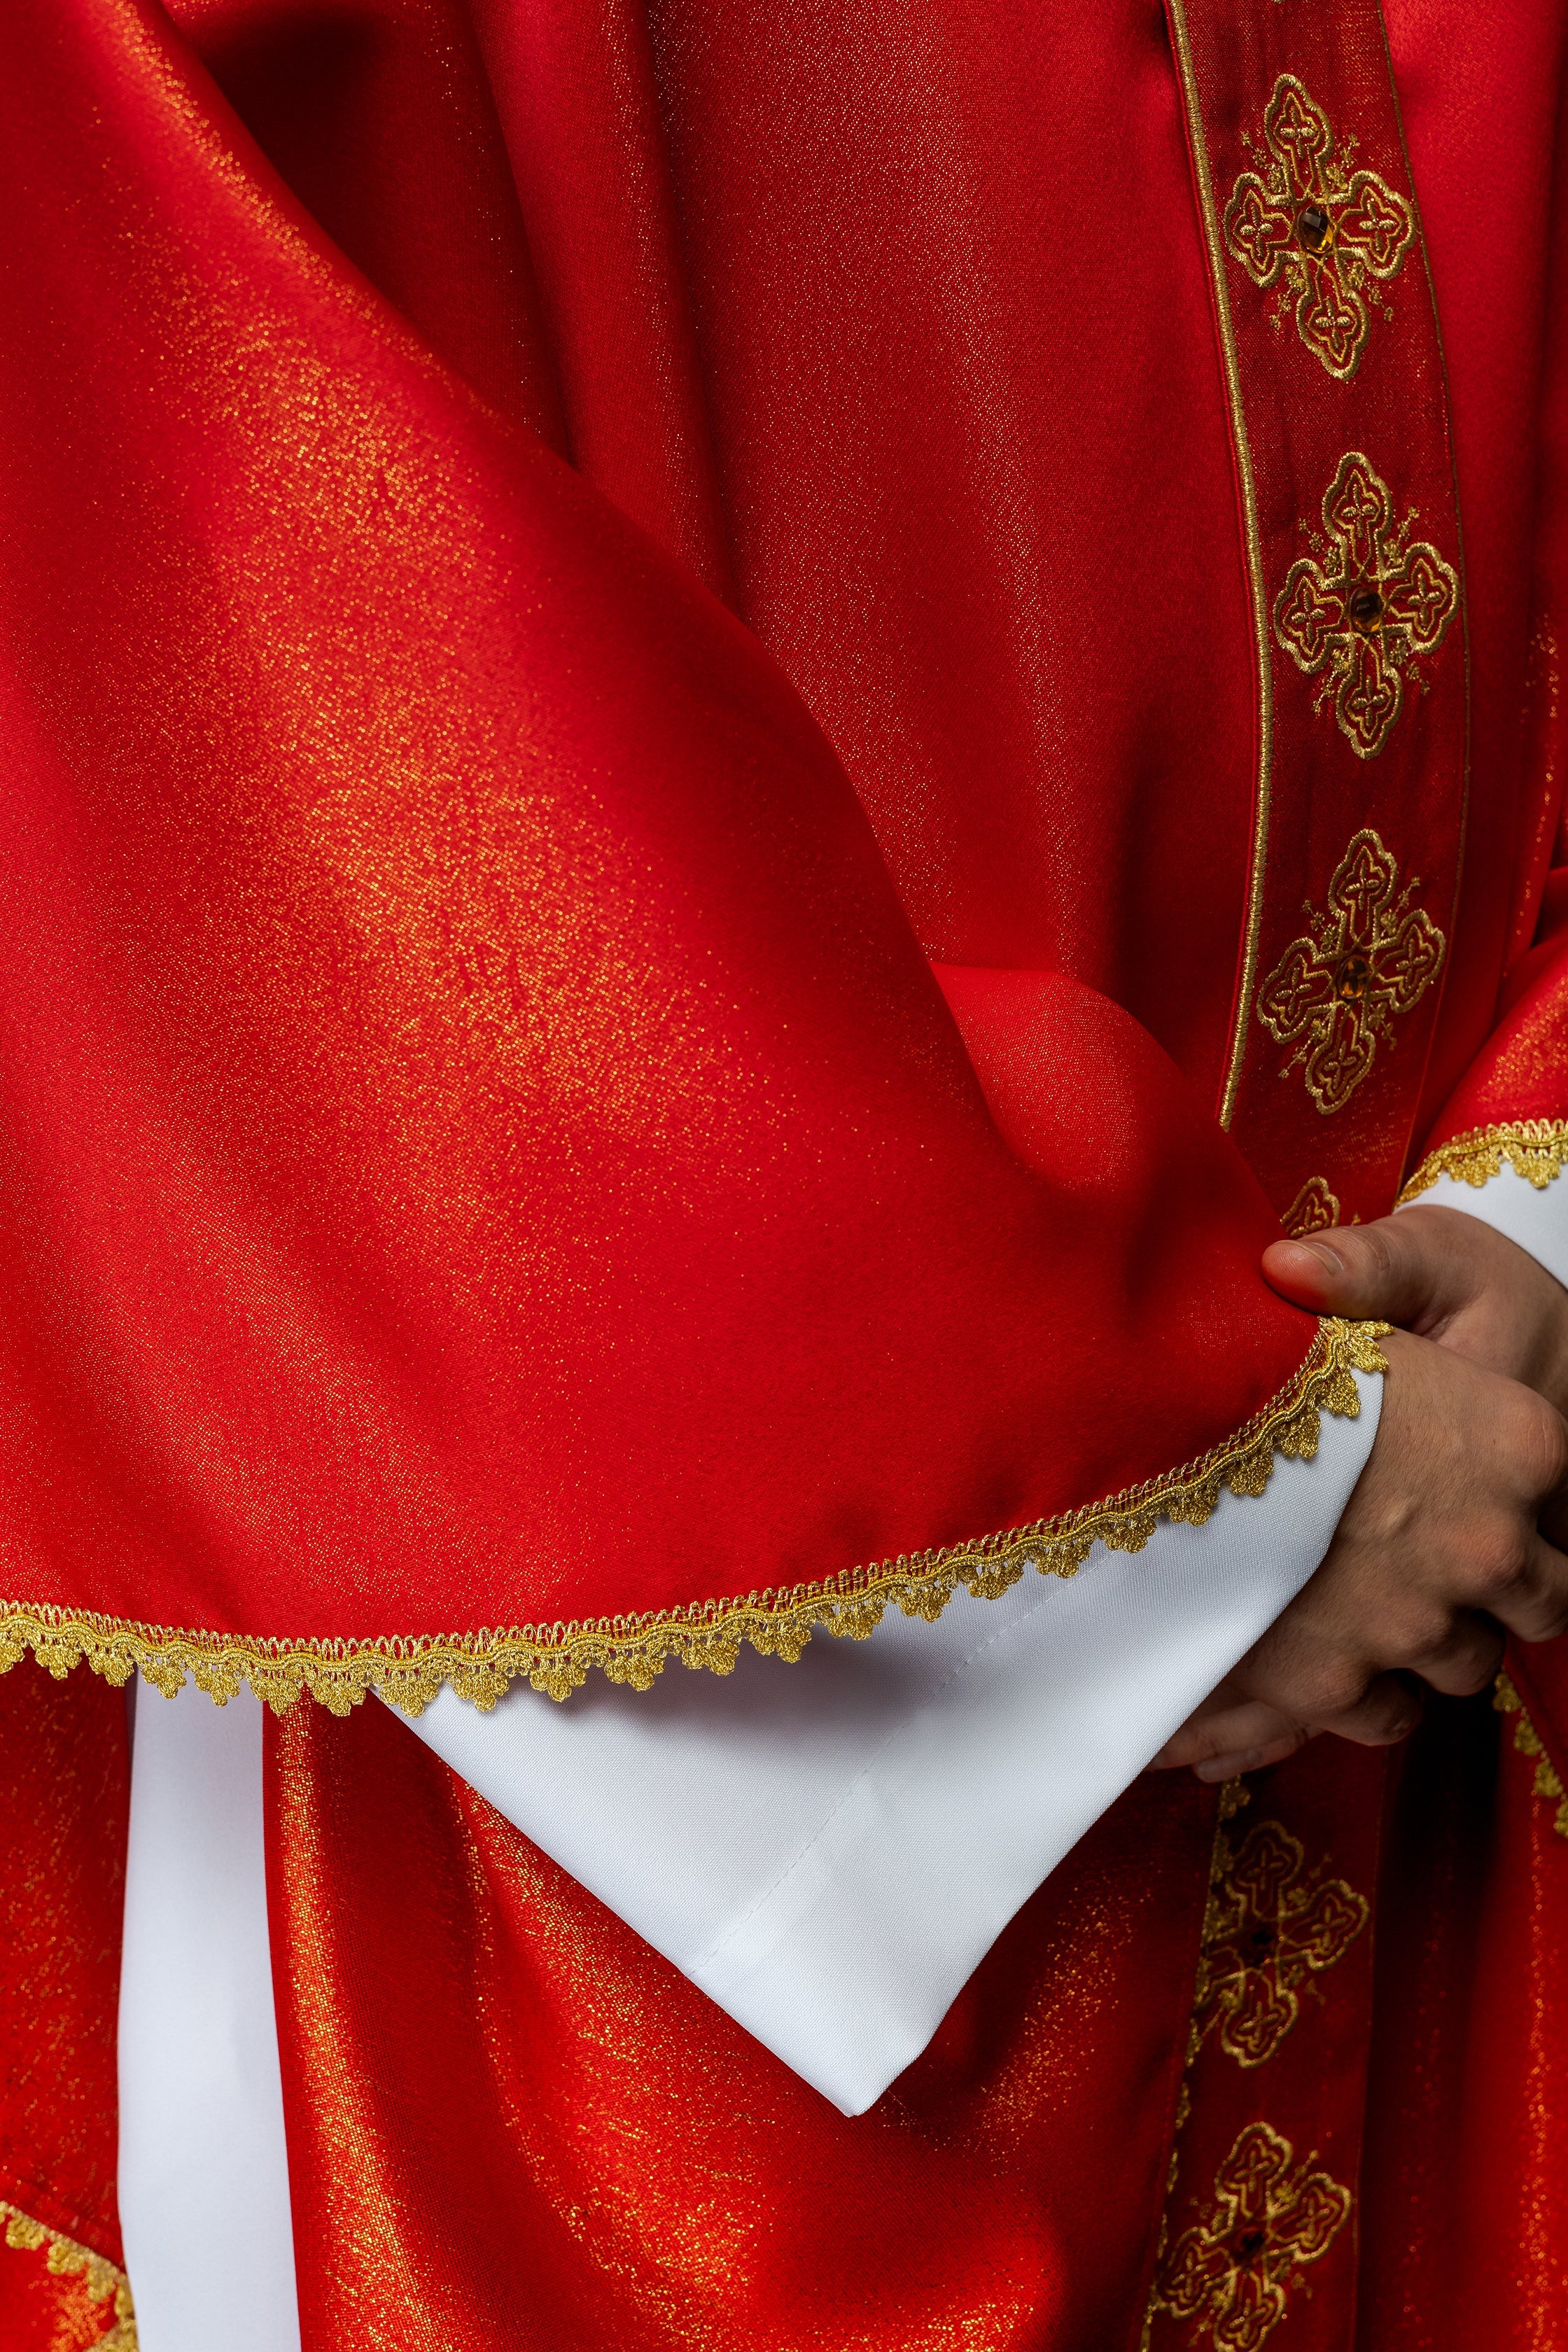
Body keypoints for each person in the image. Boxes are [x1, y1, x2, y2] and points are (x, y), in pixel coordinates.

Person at [1, 0, 1565, 2344]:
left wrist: (1535, 1200)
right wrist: (1205, 1502)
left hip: (1479, 1695)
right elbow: (179, 562)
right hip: (613, 1740)